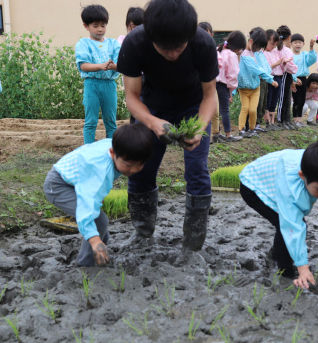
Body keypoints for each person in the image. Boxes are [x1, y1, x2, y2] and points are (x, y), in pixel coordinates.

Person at [117, 0, 219, 252]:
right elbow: (131, 96)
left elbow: (210, 96)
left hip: (193, 107)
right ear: (149, 35)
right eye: (165, 49)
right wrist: (152, 122)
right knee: (140, 167)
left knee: (197, 169)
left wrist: (200, 126)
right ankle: (142, 233)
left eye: (179, 47)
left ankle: (193, 244)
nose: (173, 54)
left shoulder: (203, 44)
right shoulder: (135, 43)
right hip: (151, 107)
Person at [239, 137, 318, 289]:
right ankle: (285, 273)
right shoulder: (291, 188)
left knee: (289, 223)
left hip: (273, 180)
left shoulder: (317, 164)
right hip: (252, 185)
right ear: (303, 176)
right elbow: (292, 226)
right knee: (285, 226)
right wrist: (303, 267)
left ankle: (277, 255)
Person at [43, 123, 154, 266]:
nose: (133, 170)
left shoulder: (121, 147)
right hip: (58, 186)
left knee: (99, 222)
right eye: (128, 164)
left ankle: (100, 255)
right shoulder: (99, 172)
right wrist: (94, 240)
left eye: (139, 164)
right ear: (113, 153)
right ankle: (85, 266)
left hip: (75, 179)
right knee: (98, 221)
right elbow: (86, 206)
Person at [75, 5, 121, 144]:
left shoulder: (113, 44)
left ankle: (111, 151)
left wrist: (113, 66)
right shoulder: (83, 44)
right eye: (95, 26)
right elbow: (83, 65)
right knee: (91, 121)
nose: (100, 29)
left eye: (103, 25)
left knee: (111, 121)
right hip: (91, 85)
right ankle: (88, 151)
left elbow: (121, 65)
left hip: (109, 85)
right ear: (86, 26)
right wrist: (101, 66)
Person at [237, 28, 278, 137]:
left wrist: (268, 76)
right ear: (251, 42)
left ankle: (252, 128)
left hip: (255, 87)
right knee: (245, 108)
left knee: (253, 110)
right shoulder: (245, 55)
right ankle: (241, 129)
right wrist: (270, 79)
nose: (259, 50)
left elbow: (262, 67)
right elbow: (257, 69)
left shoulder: (255, 53)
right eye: (258, 47)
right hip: (244, 88)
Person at [212, 31, 246, 142]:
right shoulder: (232, 55)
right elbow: (232, 75)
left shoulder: (218, 49)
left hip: (212, 83)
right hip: (223, 85)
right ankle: (228, 135)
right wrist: (231, 92)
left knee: (214, 110)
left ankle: (216, 133)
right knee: (225, 110)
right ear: (238, 47)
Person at [275, 25, 298, 130]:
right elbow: (290, 65)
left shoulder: (278, 48)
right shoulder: (284, 49)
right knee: (283, 98)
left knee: (287, 98)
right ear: (289, 37)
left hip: (285, 74)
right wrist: (294, 70)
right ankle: (281, 120)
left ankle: (287, 119)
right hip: (285, 74)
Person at [291, 33, 317, 127]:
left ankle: (299, 119)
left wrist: (311, 47)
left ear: (303, 44)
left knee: (302, 100)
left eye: (300, 42)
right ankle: (295, 120)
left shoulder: (304, 54)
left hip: (303, 79)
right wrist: (293, 80)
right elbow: (289, 68)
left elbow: (312, 60)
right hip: (294, 79)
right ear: (291, 44)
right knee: (296, 100)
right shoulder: (290, 55)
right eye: (295, 42)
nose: (298, 44)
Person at [263, 29, 281, 128]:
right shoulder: (263, 53)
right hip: (269, 78)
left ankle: (272, 121)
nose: (273, 46)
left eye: (275, 44)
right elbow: (266, 68)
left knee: (275, 99)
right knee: (268, 99)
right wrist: (277, 63)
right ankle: (267, 121)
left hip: (278, 77)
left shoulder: (275, 52)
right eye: (271, 44)